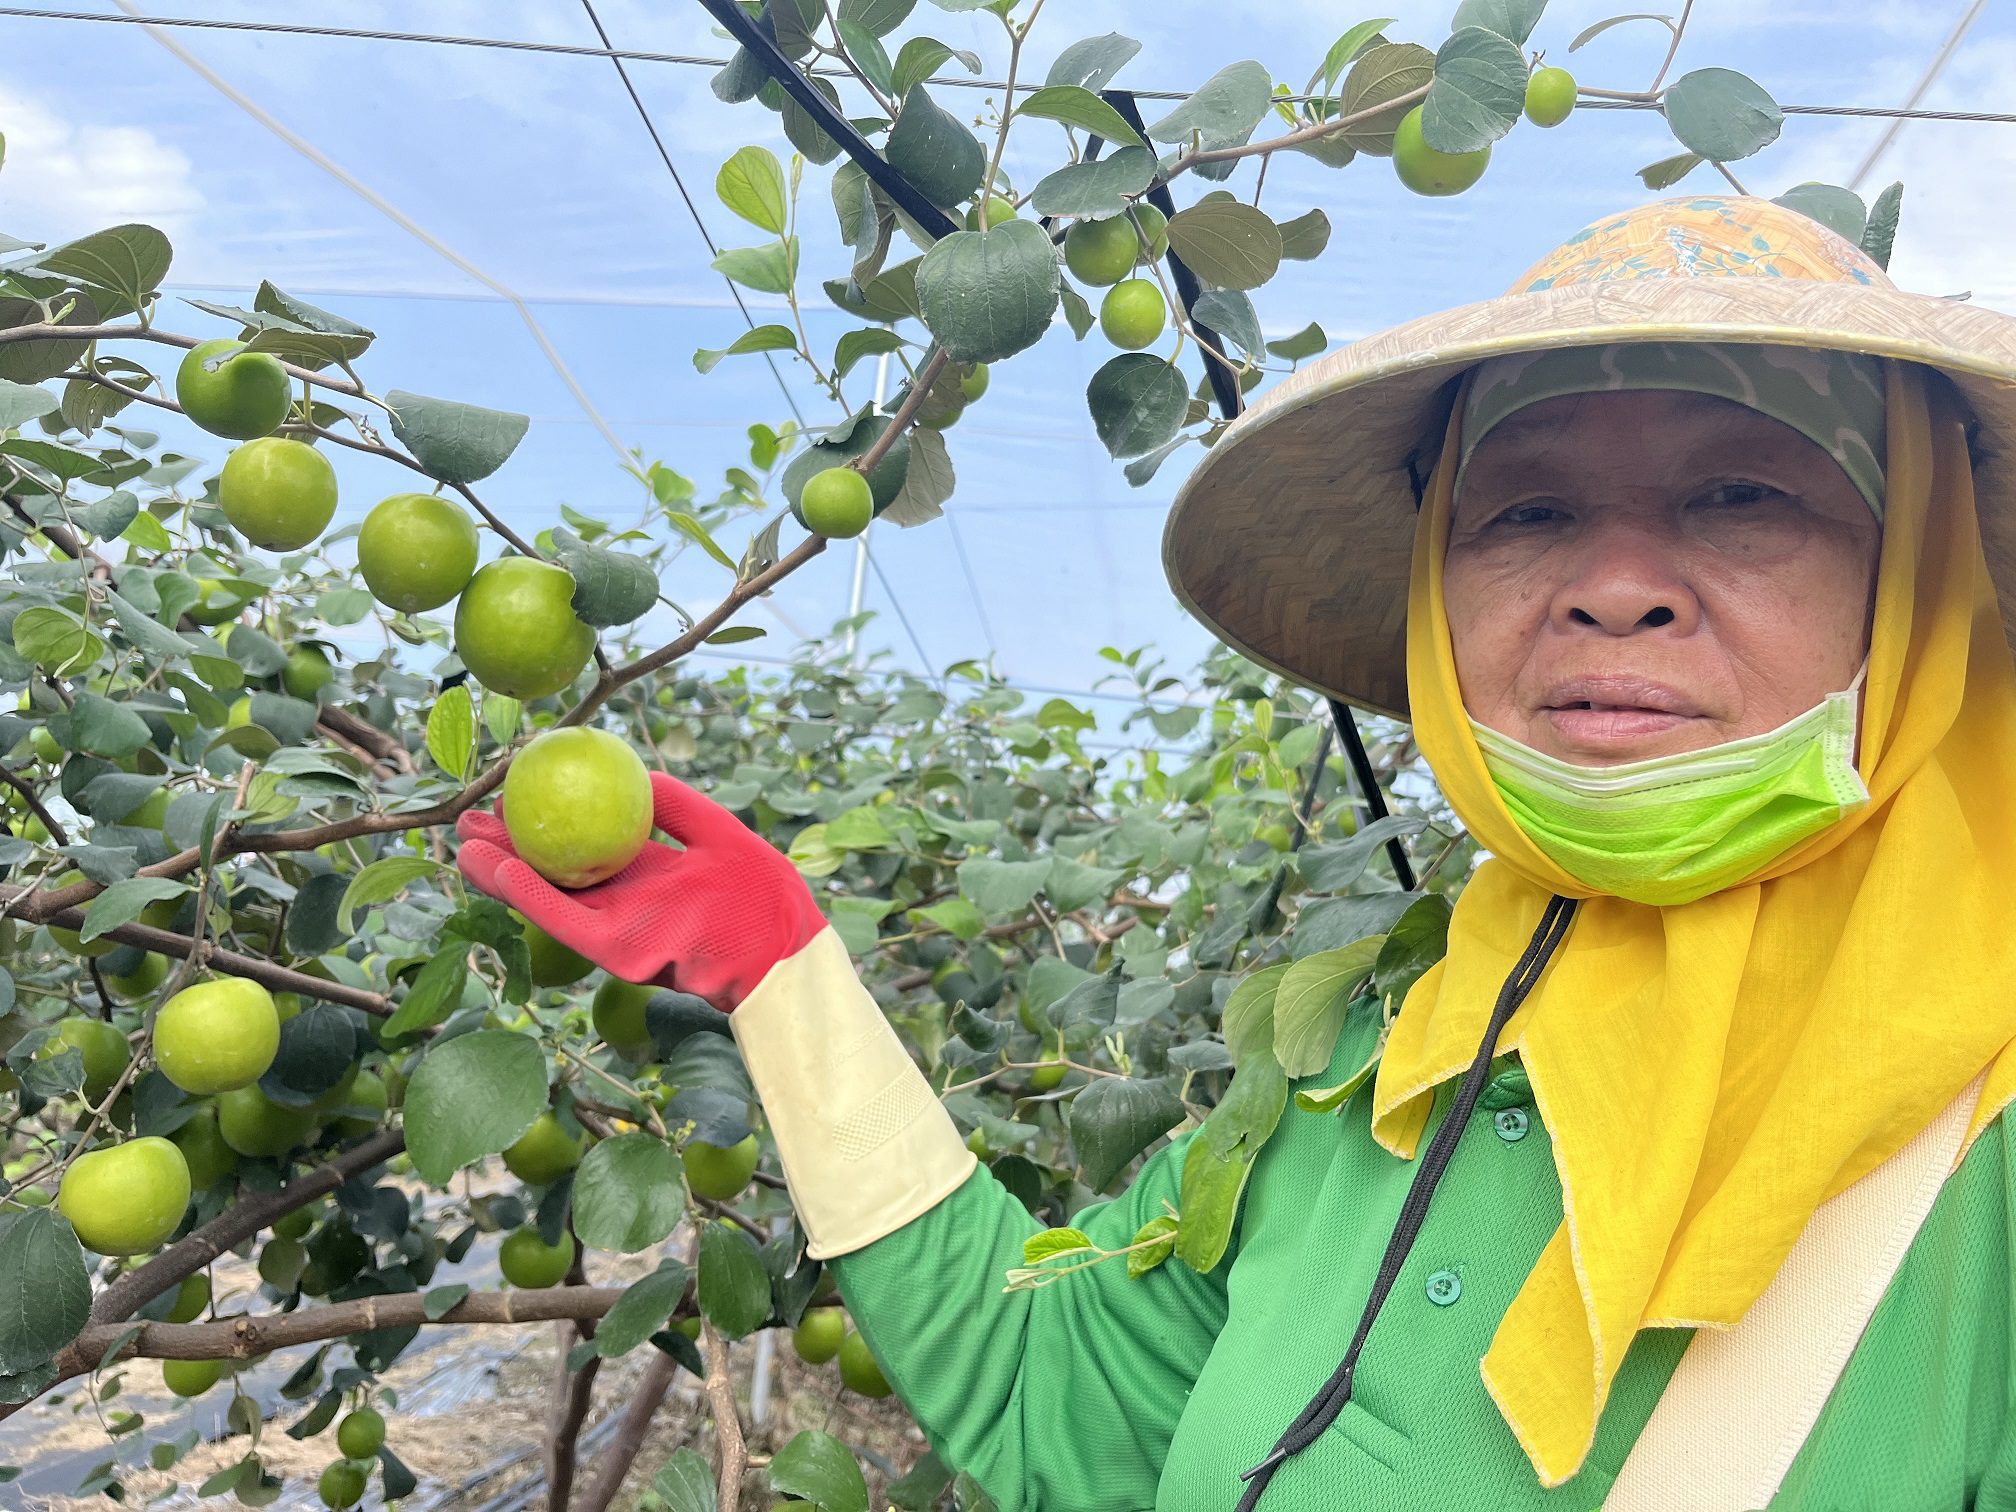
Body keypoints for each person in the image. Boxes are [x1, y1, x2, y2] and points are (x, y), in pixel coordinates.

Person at [457, 196, 2016, 1511]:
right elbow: (1049, 1394)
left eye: (1745, 494)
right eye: (1523, 510)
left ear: (1920, 574)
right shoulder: (1373, 1058)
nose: (1616, 585)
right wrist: (785, 977)